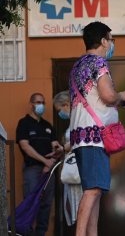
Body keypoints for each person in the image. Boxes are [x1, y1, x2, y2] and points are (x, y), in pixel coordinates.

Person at [68, 21, 125, 236]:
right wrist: (122, 96)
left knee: (93, 190)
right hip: (94, 136)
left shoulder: (77, 65)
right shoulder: (98, 63)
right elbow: (107, 96)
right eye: (111, 39)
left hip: (81, 136)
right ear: (103, 41)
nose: (112, 43)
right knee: (93, 190)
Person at [16, 92, 64, 236]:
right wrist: (45, 162)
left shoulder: (47, 125)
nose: (41, 105)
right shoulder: (23, 123)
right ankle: (27, 233)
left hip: (49, 170)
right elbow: (25, 146)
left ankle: (40, 233)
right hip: (32, 169)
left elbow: (55, 145)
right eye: (38, 102)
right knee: (31, 202)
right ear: (31, 104)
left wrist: (59, 150)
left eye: (43, 102)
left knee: (46, 204)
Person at [53, 90, 83, 227]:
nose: (60, 113)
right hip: (73, 169)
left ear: (66, 105)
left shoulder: (79, 118)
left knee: (81, 209)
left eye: (59, 110)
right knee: (77, 208)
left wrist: (64, 148)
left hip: (77, 169)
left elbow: (79, 139)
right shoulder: (74, 119)